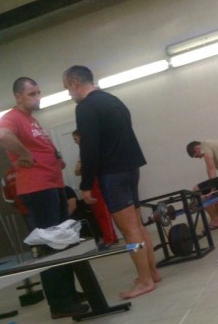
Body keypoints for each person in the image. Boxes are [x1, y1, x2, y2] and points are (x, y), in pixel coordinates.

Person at [0, 77, 89, 319]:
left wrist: (56, 158)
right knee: (50, 247)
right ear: (18, 97)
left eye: (38, 92)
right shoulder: (13, 117)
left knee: (62, 243)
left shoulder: (31, 120)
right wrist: (24, 153)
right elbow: (1, 135)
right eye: (32, 94)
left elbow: (41, 146)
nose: (38, 97)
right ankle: (59, 304)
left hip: (52, 186)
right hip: (38, 189)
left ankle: (69, 293)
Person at [62, 65, 160, 300]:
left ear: (75, 82)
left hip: (112, 174)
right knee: (137, 225)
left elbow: (89, 147)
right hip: (131, 168)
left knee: (129, 230)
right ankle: (152, 273)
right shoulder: (113, 100)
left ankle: (144, 280)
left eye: (67, 88)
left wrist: (86, 184)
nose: (69, 93)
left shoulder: (86, 107)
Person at [72, 129, 118, 246]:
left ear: (81, 137)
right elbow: (77, 171)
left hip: (96, 183)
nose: (75, 142)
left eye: (76, 139)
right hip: (90, 184)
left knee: (103, 211)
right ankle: (110, 236)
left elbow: (83, 169)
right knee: (97, 213)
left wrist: (82, 167)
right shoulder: (83, 152)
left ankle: (110, 238)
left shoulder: (91, 149)